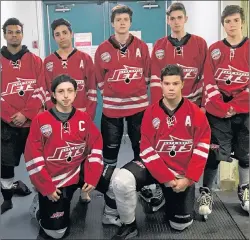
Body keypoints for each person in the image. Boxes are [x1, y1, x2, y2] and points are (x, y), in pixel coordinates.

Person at [112, 64, 211, 239]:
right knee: (121, 180)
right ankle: (129, 224)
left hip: (181, 174)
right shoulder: (150, 112)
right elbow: (146, 149)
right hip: (154, 168)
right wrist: (165, 177)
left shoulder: (196, 114)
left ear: (182, 84)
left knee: (180, 225)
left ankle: (168, 198)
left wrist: (188, 179)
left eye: (175, 83)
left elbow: (202, 149)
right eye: (167, 83)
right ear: (161, 85)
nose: (171, 88)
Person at [24, 74, 120, 239]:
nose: (66, 95)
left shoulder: (83, 118)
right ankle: (39, 206)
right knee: (56, 233)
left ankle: (109, 214)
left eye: (70, 91)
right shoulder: (41, 120)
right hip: (54, 177)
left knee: (116, 181)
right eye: (61, 91)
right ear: (53, 94)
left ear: (76, 93)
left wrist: (92, 176)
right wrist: (46, 186)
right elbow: (33, 157)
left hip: (78, 169)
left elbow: (96, 146)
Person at [94, 4, 164, 225]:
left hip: (138, 108)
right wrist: (113, 94)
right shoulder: (103, 49)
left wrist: (135, 94)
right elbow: (99, 78)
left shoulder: (142, 47)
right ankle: (109, 196)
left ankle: (144, 188)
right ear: (112, 23)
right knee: (109, 155)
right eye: (118, 19)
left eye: (125, 19)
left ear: (130, 22)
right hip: (112, 110)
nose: (122, 23)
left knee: (140, 150)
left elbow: (148, 75)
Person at [141, 2, 208, 212]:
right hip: (165, 109)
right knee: (163, 145)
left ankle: (194, 187)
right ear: (168, 20)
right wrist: (155, 109)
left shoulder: (199, 43)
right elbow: (154, 79)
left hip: (193, 107)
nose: (176, 22)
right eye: (172, 18)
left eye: (180, 17)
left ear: (185, 19)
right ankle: (162, 187)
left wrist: (204, 104)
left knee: (190, 149)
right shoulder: (159, 46)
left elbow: (207, 76)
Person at [198, 5, 249, 220]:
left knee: (245, 154)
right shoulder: (214, 48)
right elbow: (208, 80)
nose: (231, 25)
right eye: (227, 21)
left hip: (244, 112)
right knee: (214, 154)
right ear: (223, 24)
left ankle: (245, 190)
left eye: (235, 20)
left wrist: (234, 106)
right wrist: (221, 105)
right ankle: (206, 192)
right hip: (217, 112)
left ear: (242, 22)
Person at [44, 18, 97, 204]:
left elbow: (92, 91)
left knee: (84, 153)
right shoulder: (48, 62)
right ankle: (59, 184)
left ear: (71, 33)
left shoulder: (85, 59)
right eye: (57, 34)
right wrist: (54, 119)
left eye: (64, 33)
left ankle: (84, 189)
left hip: (81, 119)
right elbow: (46, 93)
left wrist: (87, 117)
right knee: (62, 152)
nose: (61, 37)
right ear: (53, 38)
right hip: (58, 120)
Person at [0, 18, 45, 214]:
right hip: (6, 125)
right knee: (6, 165)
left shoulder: (35, 60)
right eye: (10, 32)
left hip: (32, 124)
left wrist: (26, 114)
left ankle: (43, 196)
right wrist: (11, 116)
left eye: (17, 32)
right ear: (4, 35)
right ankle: (7, 199)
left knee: (37, 163)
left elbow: (42, 89)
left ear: (22, 34)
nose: (14, 35)